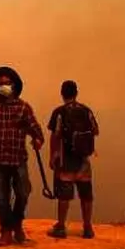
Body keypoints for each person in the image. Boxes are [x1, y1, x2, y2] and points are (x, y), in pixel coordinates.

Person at [0, 66, 44, 246]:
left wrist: (38, 140)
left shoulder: (23, 107)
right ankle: (6, 231)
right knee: (1, 197)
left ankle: (17, 224)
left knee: (23, 193)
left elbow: (36, 131)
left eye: (7, 83)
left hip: (18, 159)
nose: (4, 86)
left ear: (14, 85)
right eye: (0, 84)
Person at [47, 80, 100, 239]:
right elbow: (95, 131)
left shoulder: (59, 112)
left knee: (64, 195)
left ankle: (61, 226)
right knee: (86, 194)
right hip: (83, 160)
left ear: (62, 94)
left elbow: (54, 136)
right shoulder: (86, 110)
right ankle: (88, 227)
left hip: (66, 159)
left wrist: (52, 156)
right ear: (76, 93)